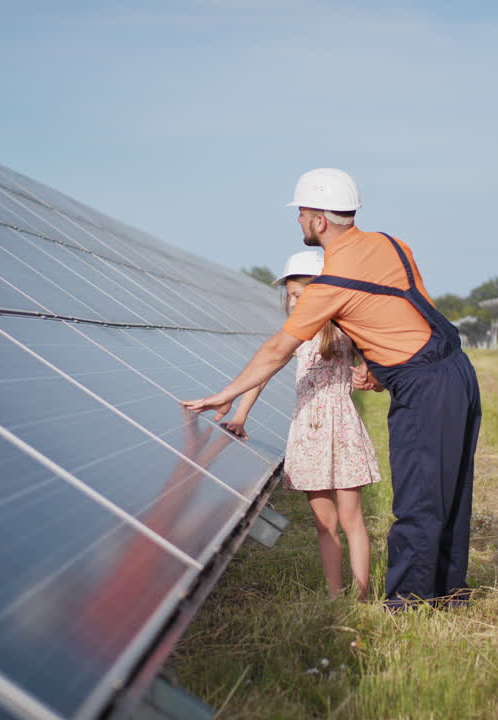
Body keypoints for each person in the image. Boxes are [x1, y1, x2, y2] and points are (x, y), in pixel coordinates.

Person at [184, 168, 481, 609]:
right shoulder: (393, 244)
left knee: (419, 496)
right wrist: (379, 368)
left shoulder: (331, 284)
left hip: (424, 385)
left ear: (319, 220)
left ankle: (409, 603)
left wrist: (226, 394)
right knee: (450, 490)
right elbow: (399, 315)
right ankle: (449, 593)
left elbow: (277, 350)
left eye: (302, 213)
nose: (298, 220)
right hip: (457, 370)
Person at [221, 249, 382, 598]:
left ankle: (362, 594)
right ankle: (335, 595)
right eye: (290, 296)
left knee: (352, 518)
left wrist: (368, 372)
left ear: (320, 292)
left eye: (299, 294)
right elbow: (262, 375)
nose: (293, 302)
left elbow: (375, 358)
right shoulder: (294, 335)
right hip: (308, 432)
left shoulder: (346, 331)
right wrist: (240, 415)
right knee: (325, 523)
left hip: (342, 429)